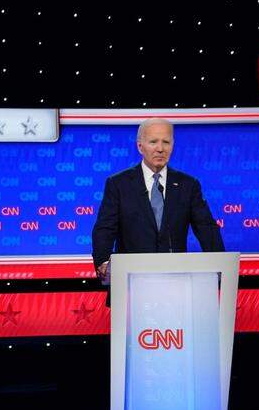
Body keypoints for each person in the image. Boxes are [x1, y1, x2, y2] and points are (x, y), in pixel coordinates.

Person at [91, 117, 223, 287]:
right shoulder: (118, 184)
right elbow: (105, 228)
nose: (160, 149)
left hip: (176, 283)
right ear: (140, 146)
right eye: (153, 142)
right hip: (131, 283)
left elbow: (206, 228)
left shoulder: (188, 185)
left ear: (172, 145)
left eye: (166, 142)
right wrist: (103, 262)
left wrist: (220, 265)